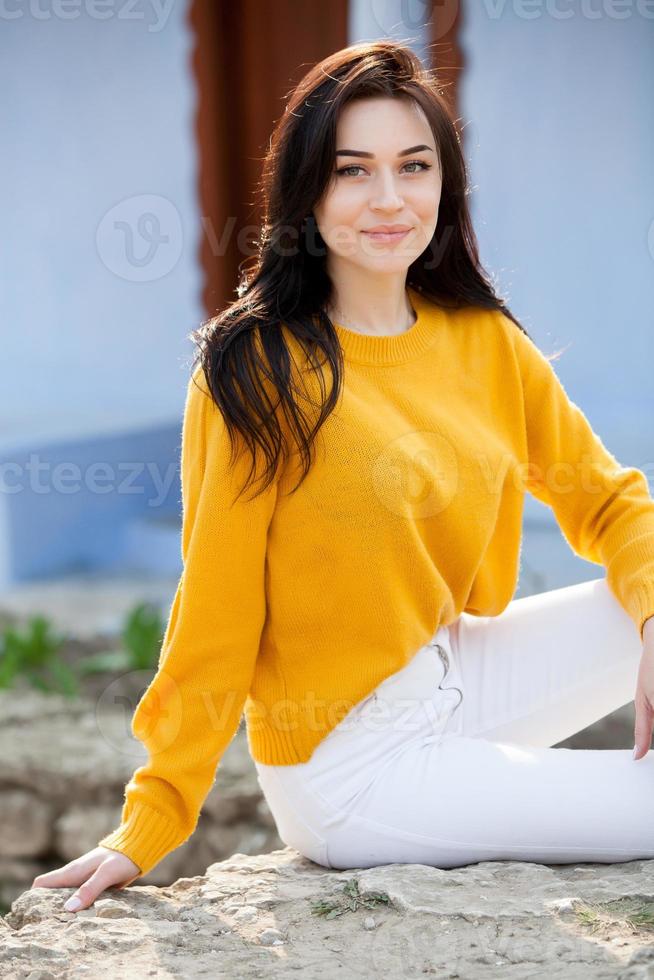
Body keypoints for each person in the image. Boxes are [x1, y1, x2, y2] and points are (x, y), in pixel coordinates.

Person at [33, 40, 654, 911]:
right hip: (352, 768)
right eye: (353, 170)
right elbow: (215, 611)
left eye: (414, 166)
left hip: (454, 679)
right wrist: (152, 819)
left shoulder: (483, 343)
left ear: (446, 182)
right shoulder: (253, 369)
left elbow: (610, 500)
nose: (390, 200)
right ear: (307, 191)